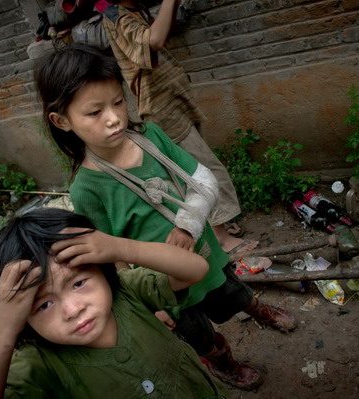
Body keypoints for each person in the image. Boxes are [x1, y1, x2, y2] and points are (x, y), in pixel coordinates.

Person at [34, 43, 296, 389]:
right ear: (62, 121)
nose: (113, 117)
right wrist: (146, 304)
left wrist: (188, 226)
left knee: (233, 291)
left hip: (204, 254)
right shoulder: (88, 188)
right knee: (198, 333)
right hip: (164, 286)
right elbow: (110, 257)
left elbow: (202, 181)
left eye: (117, 102)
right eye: (94, 113)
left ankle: (259, 311)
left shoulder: (149, 137)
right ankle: (223, 361)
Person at [0, 208, 230, 398]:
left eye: (78, 283)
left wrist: (121, 249)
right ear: (21, 319)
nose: (73, 309)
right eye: (43, 305)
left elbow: (195, 269)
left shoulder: (125, 291)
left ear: (103, 271)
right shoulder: (38, 364)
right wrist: (3, 331)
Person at [100, 0, 255, 253]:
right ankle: (222, 239)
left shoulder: (131, 11)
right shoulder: (117, 17)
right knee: (203, 169)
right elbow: (154, 40)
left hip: (171, 99)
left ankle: (217, 224)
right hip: (162, 108)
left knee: (194, 166)